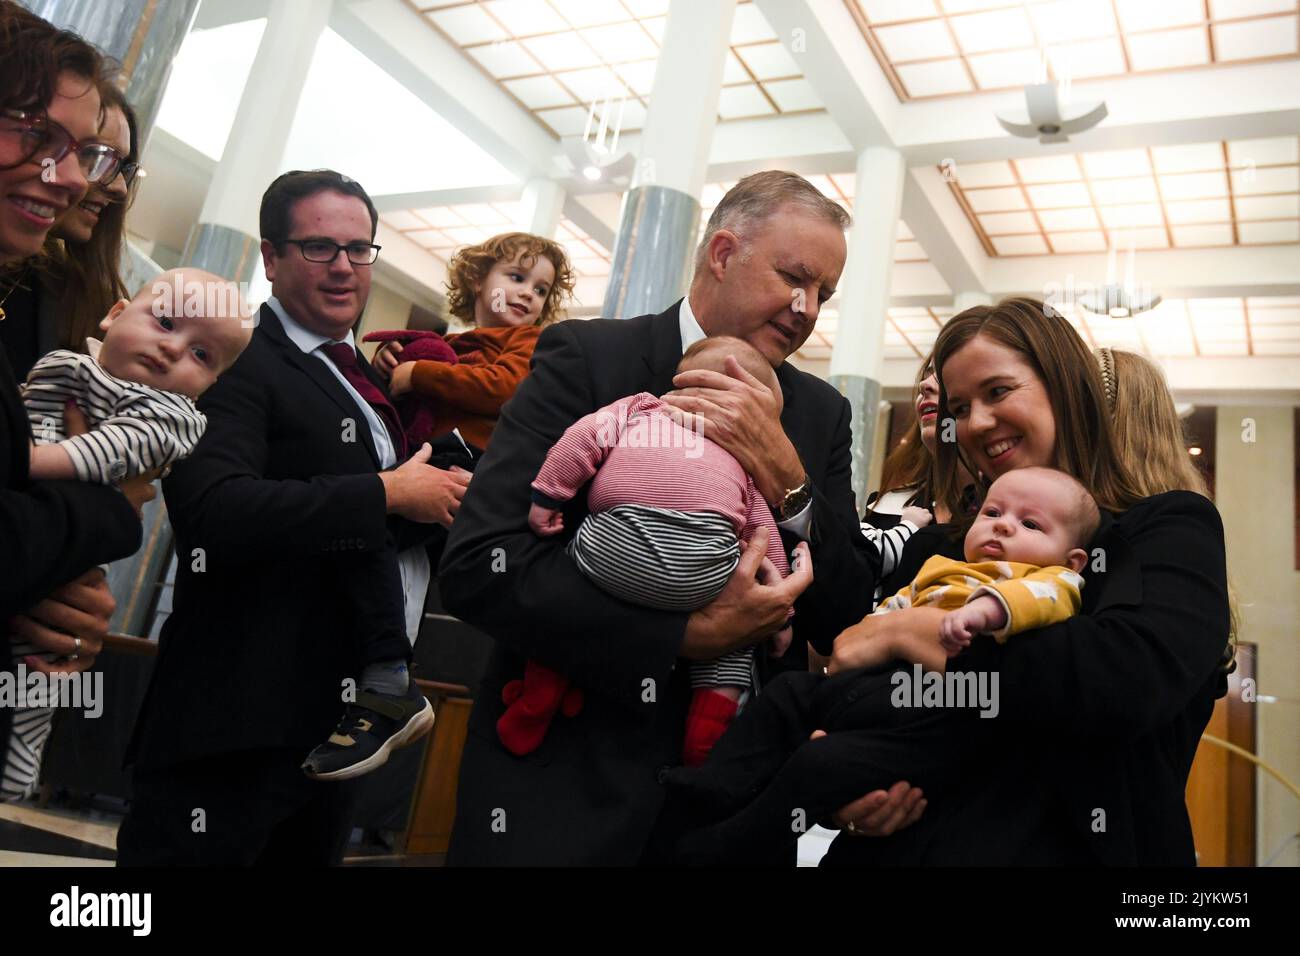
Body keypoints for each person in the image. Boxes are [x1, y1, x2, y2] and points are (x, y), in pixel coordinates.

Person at [438, 170, 924, 866]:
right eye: (795, 278)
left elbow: (842, 610)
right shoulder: (587, 356)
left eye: (824, 294)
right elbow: (482, 563)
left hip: (730, 807)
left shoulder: (820, 412)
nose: (807, 308)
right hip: (560, 786)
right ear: (723, 253)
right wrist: (683, 634)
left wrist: (787, 478)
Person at [116, 169, 469, 865]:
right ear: (271, 258)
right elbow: (215, 509)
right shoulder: (230, 358)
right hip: (237, 721)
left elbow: (354, 528)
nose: (344, 267)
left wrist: (441, 497)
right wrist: (390, 493)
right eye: (319, 248)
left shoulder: (361, 379)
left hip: (343, 734)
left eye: (359, 249)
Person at [822, 297, 1231, 866]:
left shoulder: (1161, 528)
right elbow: (853, 677)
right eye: (959, 407)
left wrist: (915, 634)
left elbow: (1124, 679)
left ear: (1064, 386)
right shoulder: (946, 546)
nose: (977, 424)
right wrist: (839, 776)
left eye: (997, 392)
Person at [663, 466, 1100, 864]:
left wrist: (981, 613)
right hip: (872, 686)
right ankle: (716, 782)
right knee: (785, 694)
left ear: (1072, 558)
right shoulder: (939, 566)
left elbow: (1034, 605)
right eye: (992, 512)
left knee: (819, 763)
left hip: (933, 711)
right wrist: (869, 638)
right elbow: (881, 620)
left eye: (1029, 524)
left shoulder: (1052, 579)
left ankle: (732, 843)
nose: (1003, 525)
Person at [3, 267, 251, 801]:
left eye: (201, 355)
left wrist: (24, 461)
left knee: (36, 673)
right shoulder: (67, 362)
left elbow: (109, 451)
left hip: (58, 561)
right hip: (29, 539)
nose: (171, 349)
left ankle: (16, 773)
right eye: (163, 322)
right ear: (115, 315)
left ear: (209, 386)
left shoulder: (170, 415)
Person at [508, 336, 804, 767]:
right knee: (735, 641)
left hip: (611, 548)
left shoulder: (640, 407)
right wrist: (779, 615)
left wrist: (548, 498)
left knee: (567, 592)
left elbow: (581, 439)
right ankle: (705, 736)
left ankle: (539, 695)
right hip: (702, 577)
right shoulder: (742, 457)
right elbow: (764, 535)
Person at [0, 1, 151, 789]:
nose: (80, 178)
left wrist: (62, 590)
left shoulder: (90, 304)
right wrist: (114, 502)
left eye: (102, 160)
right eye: (40, 136)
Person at [372, 231, 575, 450]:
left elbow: (504, 388)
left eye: (541, 290)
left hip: (472, 457)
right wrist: (387, 363)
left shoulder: (529, 339)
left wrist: (418, 374)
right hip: (418, 451)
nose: (528, 293)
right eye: (517, 277)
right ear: (477, 280)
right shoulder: (448, 343)